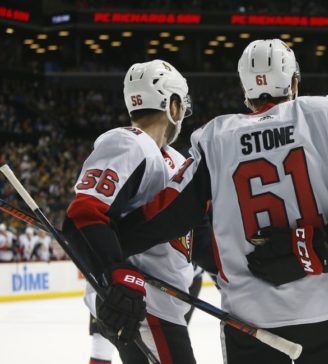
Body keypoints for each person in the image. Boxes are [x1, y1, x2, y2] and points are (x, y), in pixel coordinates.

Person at [115, 38, 328, 364]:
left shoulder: (215, 137)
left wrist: (103, 246)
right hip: (327, 310)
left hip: (248, 320)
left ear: (246, 92)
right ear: (294, 83)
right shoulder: (323, 113)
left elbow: (162, 218)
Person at [62, 59, 199, 364]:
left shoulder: (174, 159)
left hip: (163, 307)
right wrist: (117, 272)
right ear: (173, 106)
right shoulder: (129, 143)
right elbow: (83, 215)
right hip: (145, 307)